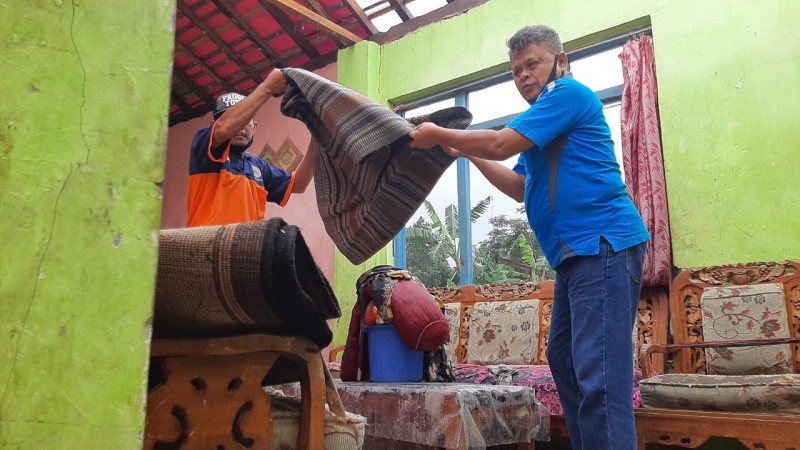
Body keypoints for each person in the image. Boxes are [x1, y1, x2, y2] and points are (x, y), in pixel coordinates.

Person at [409, 25, 650, 450]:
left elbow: (500, 142)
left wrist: (440, 133)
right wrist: (466, 153)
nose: (523, 75)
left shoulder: (567, 95)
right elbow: (520, 186)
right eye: (516, 70)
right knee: (566, 360)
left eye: (532, 64)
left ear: (561, 61)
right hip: (575, 256)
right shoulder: (543, 120)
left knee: (600, 373)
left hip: (604, 244)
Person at [186, 69, 316, 227]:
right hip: (207, 249)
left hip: (246, 250)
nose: (240, 128)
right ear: (213, 127)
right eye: (236, 121)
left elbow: (299, 184)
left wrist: (317, 136)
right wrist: (267, 87)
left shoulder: (258, 168)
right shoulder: (205, 145)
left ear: (255, 127)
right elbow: (225, 129)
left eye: (245, 121)